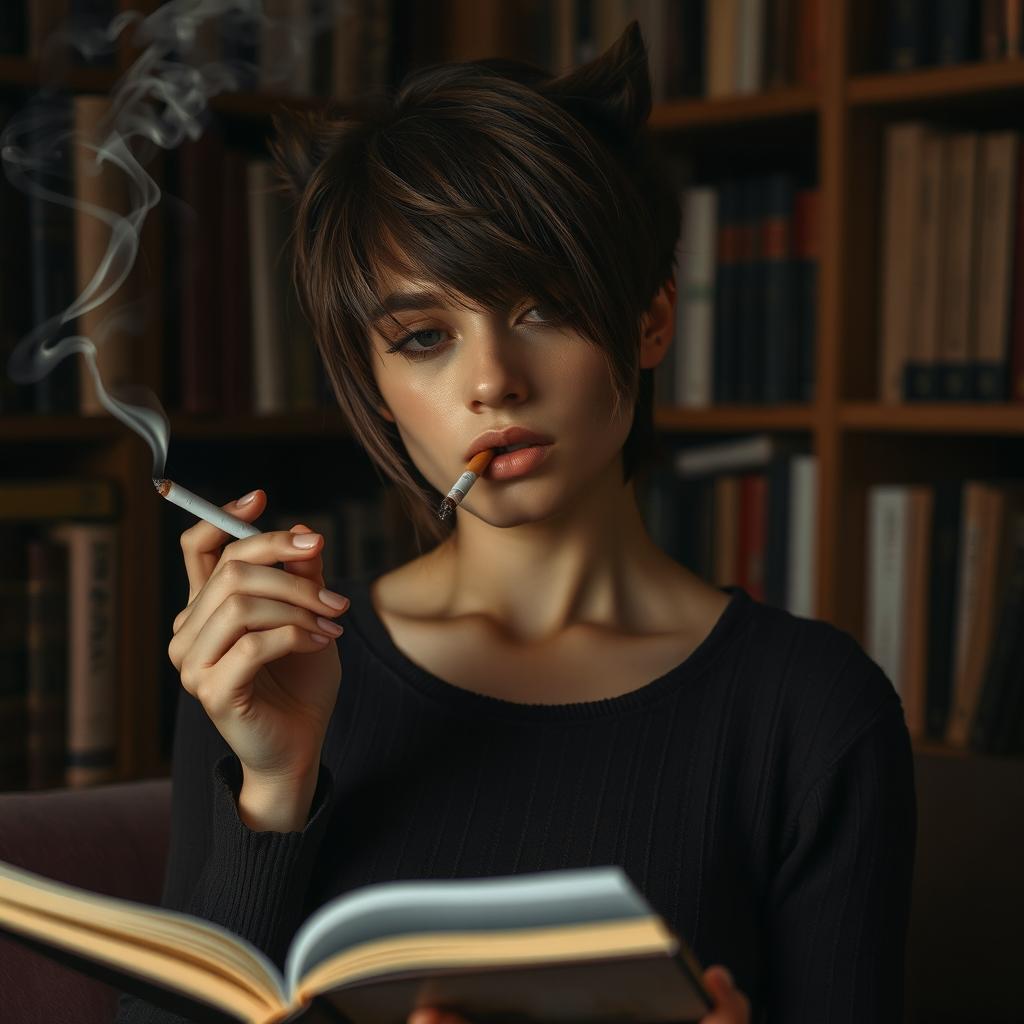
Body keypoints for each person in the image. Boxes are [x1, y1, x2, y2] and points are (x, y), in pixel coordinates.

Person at [115, 21, 915, 1024]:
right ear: (371, 378)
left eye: (541, 308)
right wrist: (271, 790)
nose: (493, 380)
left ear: (649, 319)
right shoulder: (270, 670)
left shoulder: (810, 711)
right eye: (423, 337)